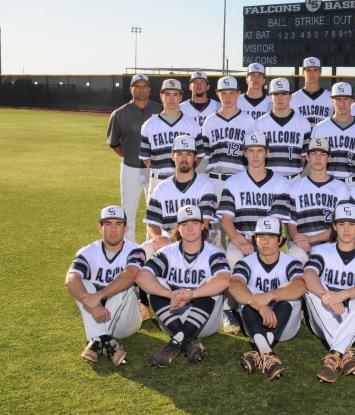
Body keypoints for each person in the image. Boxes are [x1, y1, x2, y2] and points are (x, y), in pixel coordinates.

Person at [136, 205, 231, 367]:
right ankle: (186, 340)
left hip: (205, 323)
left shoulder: (214, 252)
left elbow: (223, 279)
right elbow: (142, 276)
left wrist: (192, 294)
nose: (190, 228)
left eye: (194, 223)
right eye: (184, 224)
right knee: (155, 281)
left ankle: (175, 343)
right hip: (171, 320)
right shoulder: (167, 252)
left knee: (210, 284)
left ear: (203, 225)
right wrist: (169, 294)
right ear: (178, 228)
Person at [217, 131, 291, 333]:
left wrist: (261, 242)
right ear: (245, 153)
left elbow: (276, 222)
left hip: (268, 240)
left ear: (267, 152)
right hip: (241, 236)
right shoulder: (233, 182)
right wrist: (238, 240)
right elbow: (226, 219)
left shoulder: (280, 183)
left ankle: (269, 303)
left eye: (260, 150)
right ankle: (229, 309)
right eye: (251, 151)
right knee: (232, 257)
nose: (256, 155)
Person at [303, 203, 355, 383]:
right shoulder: (322, 250)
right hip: (327, 318)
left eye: (351, 224)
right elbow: (308, 274)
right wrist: (327, 296)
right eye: (341, 224)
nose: (346, 229)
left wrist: (342, 294)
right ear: (334, 226)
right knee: (312, 293)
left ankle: (334, 355)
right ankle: (344, 354)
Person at [65, 206, 146, 367]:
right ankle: (106, 341)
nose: (113, 229)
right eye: (108, 224)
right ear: (100, 227)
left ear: (125, 228)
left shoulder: (136, 250)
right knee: (83, 284)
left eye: (118, 223)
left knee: (124, 282)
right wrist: (93, 306)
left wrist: (99, 296)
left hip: (127, 321)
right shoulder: (88, 251)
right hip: (98, 314)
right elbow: (71, 280)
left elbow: (130, 275)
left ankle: (96, 339)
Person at [229, 216, 306, 381]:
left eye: (271, 237)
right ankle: (266, 353)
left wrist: (269, 296)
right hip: (256, 323)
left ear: (280, 240)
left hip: (285, 329)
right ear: (255, 240)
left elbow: (300, 286)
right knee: (246, 295)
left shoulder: (291, 262)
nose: (265, 241)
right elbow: (234, 286)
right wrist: (257, 304)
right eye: (261, 236)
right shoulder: (245, 262)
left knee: (289, 297)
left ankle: (258, 352)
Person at [107, 74, 162, 242]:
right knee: (128, 210)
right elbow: (114, 143)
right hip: (130, 168)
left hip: (155, 168)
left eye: (144, 86)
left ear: (150, 89)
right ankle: (130, 249)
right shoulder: (120, 113)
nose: (141, 89)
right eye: (137, 86)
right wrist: (130, 156)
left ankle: (151, 247)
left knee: (155, 212)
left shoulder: (160, 110)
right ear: (131, 89)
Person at [286, 137, 350, 264]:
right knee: (295, 256)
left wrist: (311, 239)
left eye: (322, 154)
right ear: (308, 157)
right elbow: (291, 224)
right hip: (302, 245)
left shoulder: (341, 188)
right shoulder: (295, 187)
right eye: (314, 153)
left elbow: (341, 226)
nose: (318, 158)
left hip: (331, 244)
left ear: (329, 157)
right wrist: (299, 240)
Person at [139, 79, 204, 200]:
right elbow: (146, 158)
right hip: (158, 180)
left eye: (175, 94)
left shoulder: (192, 125)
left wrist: (185, 172)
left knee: (185, 218)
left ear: (180, 97)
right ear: (161, 96)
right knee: (156, 218)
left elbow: (199, 155)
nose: (171, 99)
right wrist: (159, 171)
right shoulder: (149, 125)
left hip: (186, 181)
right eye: (167, 94)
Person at [144, 135, 217, 239]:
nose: (184, 158)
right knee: (145, 250)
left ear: (195, 157)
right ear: (172, 156)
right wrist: (157, 238)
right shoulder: (161, 188)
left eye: (189, 154)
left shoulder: (206, 186)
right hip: (168, 242)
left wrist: (179, 244)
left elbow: (204, 224)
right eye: (179, 154)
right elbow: (152, 223)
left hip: (200, 240)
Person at [200, 76, 255, 206]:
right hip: (215, 180)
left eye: (231, 93)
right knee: (214, 224)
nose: (227, 97)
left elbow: (253, 155)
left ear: (238, 94)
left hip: (240, 180)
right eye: (223, 93)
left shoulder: (249, 121)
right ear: (218, 94)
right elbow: (205, 155)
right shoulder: (210, 121)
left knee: (240, 223)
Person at [311, 82, 355, 189]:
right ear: (332, 101)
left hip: (353, 184)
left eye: (346, 99)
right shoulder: (320, 128)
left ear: (352, 101)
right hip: (326, 183)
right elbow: (313, 159)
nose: (342, 103)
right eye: (338, 99)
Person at [255, 77, 311, 179]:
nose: (280, 98)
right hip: (268, 179)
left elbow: (304, 157)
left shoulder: (303, 123)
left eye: (284, 94)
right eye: (276, 94)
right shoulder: (259, 124)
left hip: (294, 180)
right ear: (270, 97)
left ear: (290, 96)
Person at [290, 56, 334, 128]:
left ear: (320, 72)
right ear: (302, 73)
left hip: (324, 138)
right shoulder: (292, 98)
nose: (312, 73)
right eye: (308, 70)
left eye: (315, 70)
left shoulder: (331, 98)